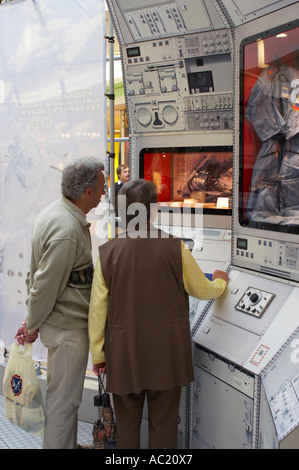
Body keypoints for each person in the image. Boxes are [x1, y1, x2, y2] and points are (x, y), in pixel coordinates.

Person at [88, 178, 229, 449]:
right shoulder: (175, 248)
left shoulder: (107, 253)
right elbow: (202, 289)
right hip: (167, 352)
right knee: (163, 424)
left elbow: (97, 309)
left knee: (126, 425)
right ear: (153, 210)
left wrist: (98, 353)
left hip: (124, 351)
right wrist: (221, 282)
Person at [15, 157, 106, 449]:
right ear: (87, 192)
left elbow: (39, 277)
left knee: (62, 402)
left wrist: (34, 320)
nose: (105, 192)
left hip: (60, 324)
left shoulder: (55, 214)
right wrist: (31, 325)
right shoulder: (67, 230)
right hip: (67, 329)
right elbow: (45, 285)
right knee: (63, 408)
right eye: (102, 186)